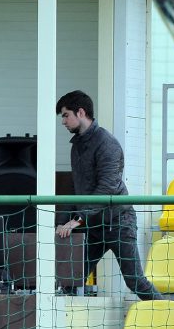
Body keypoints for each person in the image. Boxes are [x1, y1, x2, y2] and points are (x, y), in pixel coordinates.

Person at [54, 90, 162, 300]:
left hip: (119, 223)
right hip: (94, 226)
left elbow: (107, 188)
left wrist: (77, 220)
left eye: (66, 115)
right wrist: (61, 222)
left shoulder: (107, 144)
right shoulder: (76, 147)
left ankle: (172, 318)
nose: (63, 122)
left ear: (81, 112)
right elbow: (75, 188)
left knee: (135, 282)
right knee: (69, 278)